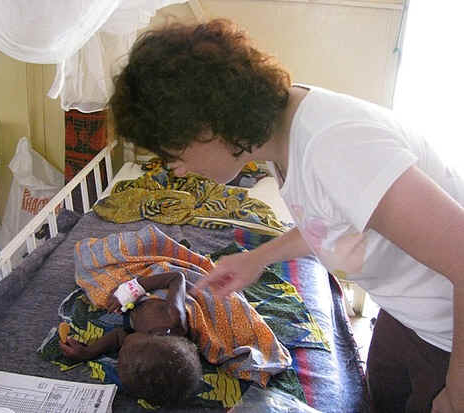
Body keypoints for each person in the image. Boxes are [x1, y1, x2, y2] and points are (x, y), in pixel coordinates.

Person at [108, 19, 464, 413]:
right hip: (411, 315)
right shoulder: (287, 132)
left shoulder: (335, 147)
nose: (175, 170)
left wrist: (458, 394)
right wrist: (257, 258)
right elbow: (332, 218)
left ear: (208, 125)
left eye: (173, 153)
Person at [60, 271, 203, 406]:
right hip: (157, 280)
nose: (121, 347)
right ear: (153, 337)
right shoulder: (173, 317)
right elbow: (177, 278)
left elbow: (118, 337)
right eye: (124, 350)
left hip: (138, 310)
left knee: (99, 290)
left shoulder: (149, 346)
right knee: (96, 273)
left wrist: (88, 352)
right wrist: (130, 290)